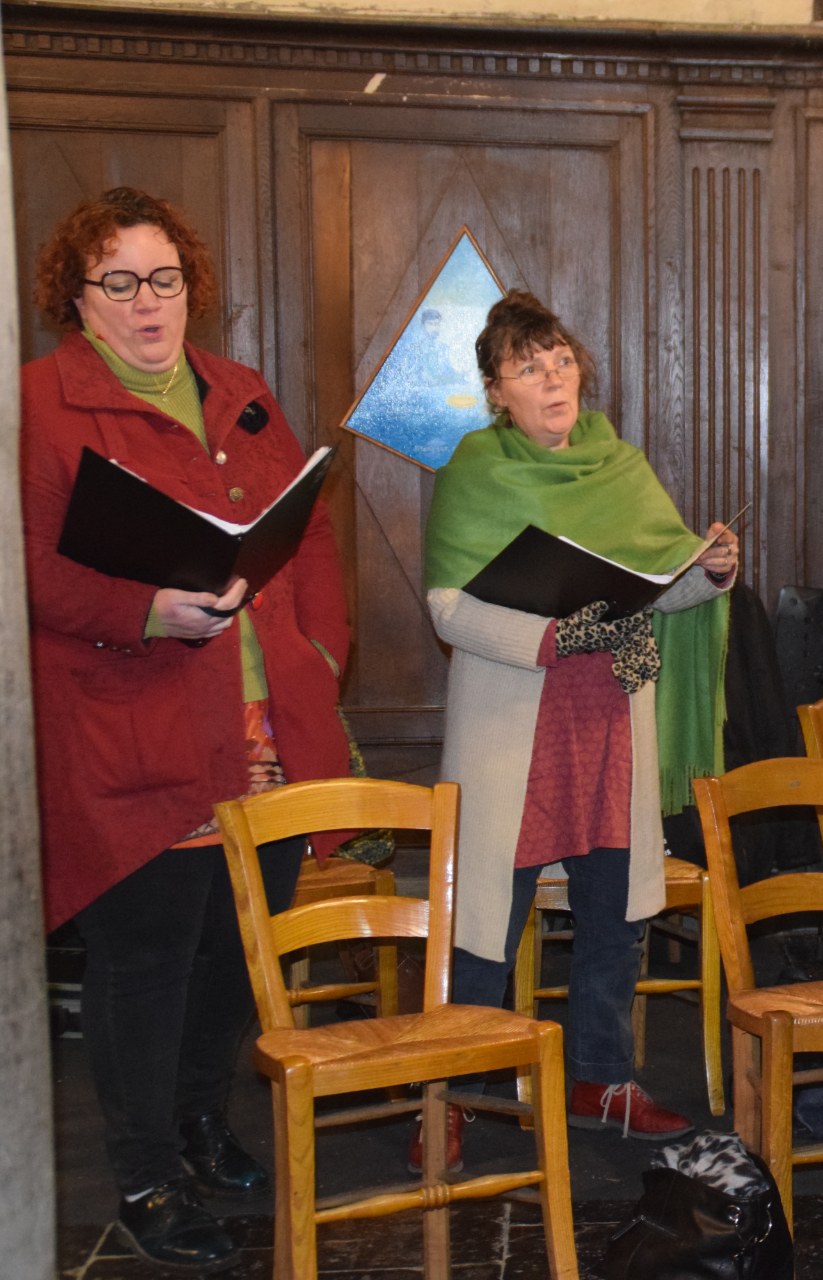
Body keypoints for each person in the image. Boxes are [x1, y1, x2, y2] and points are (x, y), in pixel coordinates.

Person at [22, 187, 352, 1273]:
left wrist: (317, 654)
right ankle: (147, 1169)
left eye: (163, 276)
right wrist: (144, 608)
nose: (147, 300)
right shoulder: (39, 405)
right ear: (78, 297)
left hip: (263, 725)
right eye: (119, 280)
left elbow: (303, 536)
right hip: (136, 725)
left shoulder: (240, 389)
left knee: (235, 949)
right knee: (149, 961)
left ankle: (205, 1125)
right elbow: (26, 572)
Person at [423, 289, 736, 1155]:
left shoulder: (619, 465)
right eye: (529, 367)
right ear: (496, 391)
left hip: (611, 718)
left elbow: (658, 583)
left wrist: (706, 573)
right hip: (515, 722)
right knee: (491, 917)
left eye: (561, 360)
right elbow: (448, 608)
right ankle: (451, 1092)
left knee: (614, 911)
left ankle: (603, 1078)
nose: (552, 378)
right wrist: (549, 636)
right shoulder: (474, 471)